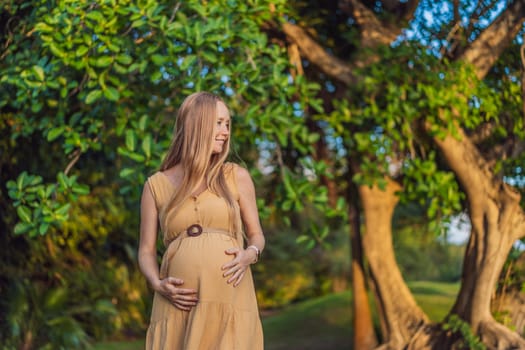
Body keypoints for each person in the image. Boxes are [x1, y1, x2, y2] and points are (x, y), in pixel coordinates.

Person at [138, 91, 265, 349]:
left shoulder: (235, 176)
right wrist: (157, 283)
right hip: (177, 305)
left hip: (229, 296)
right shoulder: (156, 185)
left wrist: (249, 254)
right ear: (197, 124)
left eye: (227, 124)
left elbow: (257, 235)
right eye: (219, 123)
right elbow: (146, 250)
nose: (225, 131)